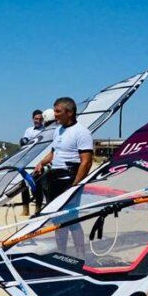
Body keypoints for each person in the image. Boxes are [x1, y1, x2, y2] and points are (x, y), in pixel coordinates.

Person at [34, 97, 93, 258]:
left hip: (70, 178)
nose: (55, 115)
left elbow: (86, 162)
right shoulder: (58, 130)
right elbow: (55, 152)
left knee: (71, 219)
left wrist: (75, 186)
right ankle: (62, 253)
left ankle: (81, 255)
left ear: (70, 112)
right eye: (55, 111)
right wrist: (41, 162)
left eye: (58, 111)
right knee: (57, 218)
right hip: (55, 177)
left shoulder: (81, 132)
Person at [20, 109, 46, 215]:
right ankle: (25, 209)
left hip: (39, 160)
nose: (38, 121)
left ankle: (38, 209)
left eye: (40, 119)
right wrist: (23, 141)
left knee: (38, 185)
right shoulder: (29, 130)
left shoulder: (46, 130)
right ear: (32, 119)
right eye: (36, 119)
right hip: (28, 159)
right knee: (23, 185)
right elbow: (24, 141)